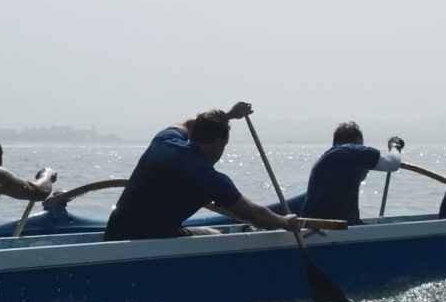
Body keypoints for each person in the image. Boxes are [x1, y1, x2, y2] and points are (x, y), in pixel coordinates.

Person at [103, 103, 342, 243]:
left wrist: (228, 115)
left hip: (113, 235)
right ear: (219, 142)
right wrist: (284, 221)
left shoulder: (164, 140)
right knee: (214, 234)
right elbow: (254, 214)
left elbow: (190, 122)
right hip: (152, 243)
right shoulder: (210, 179)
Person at [285, 123, 431, 224]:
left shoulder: (328, 158)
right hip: (330, 230)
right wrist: (395, 145)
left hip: (317, 226)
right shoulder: (352, 151)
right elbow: (393, 163)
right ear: (357, 142)